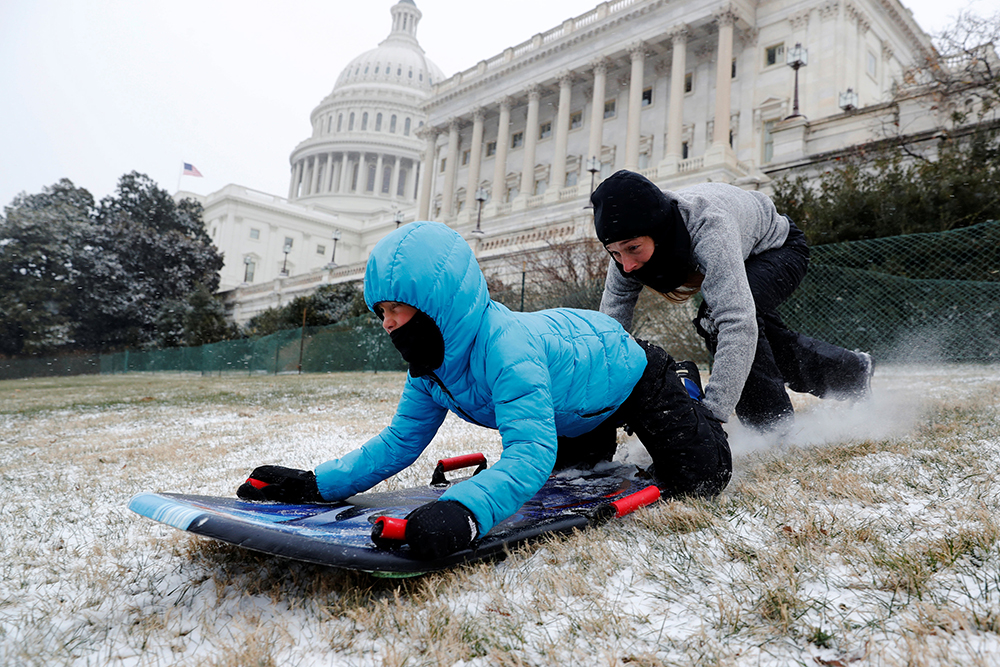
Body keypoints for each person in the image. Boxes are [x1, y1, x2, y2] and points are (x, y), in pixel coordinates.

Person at [237, 221, 730, 560]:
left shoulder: (505, 349)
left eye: (394, 310)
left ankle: (684, 385)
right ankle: (603, 433)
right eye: (380, 313)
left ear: (436, 302)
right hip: (572, 410)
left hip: (629, 375)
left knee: (703, 478)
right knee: (578, 475)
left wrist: (465, 512)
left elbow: (528, 454)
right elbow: (398, 443)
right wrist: (316, 485)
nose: (387, 325)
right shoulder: (430, 370)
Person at [590, 169, 874, 434]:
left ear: (659, 230)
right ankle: (852, 373)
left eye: (633, 249)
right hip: (740, 248)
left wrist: (711, 413)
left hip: (777, 249)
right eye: (614, 252)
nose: (625, 264)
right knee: (768, 344)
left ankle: (771, 429)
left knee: (718, 320)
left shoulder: (708, 227)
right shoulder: (625, 248)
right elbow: (610, 331)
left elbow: (736, 323)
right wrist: (604, 400)